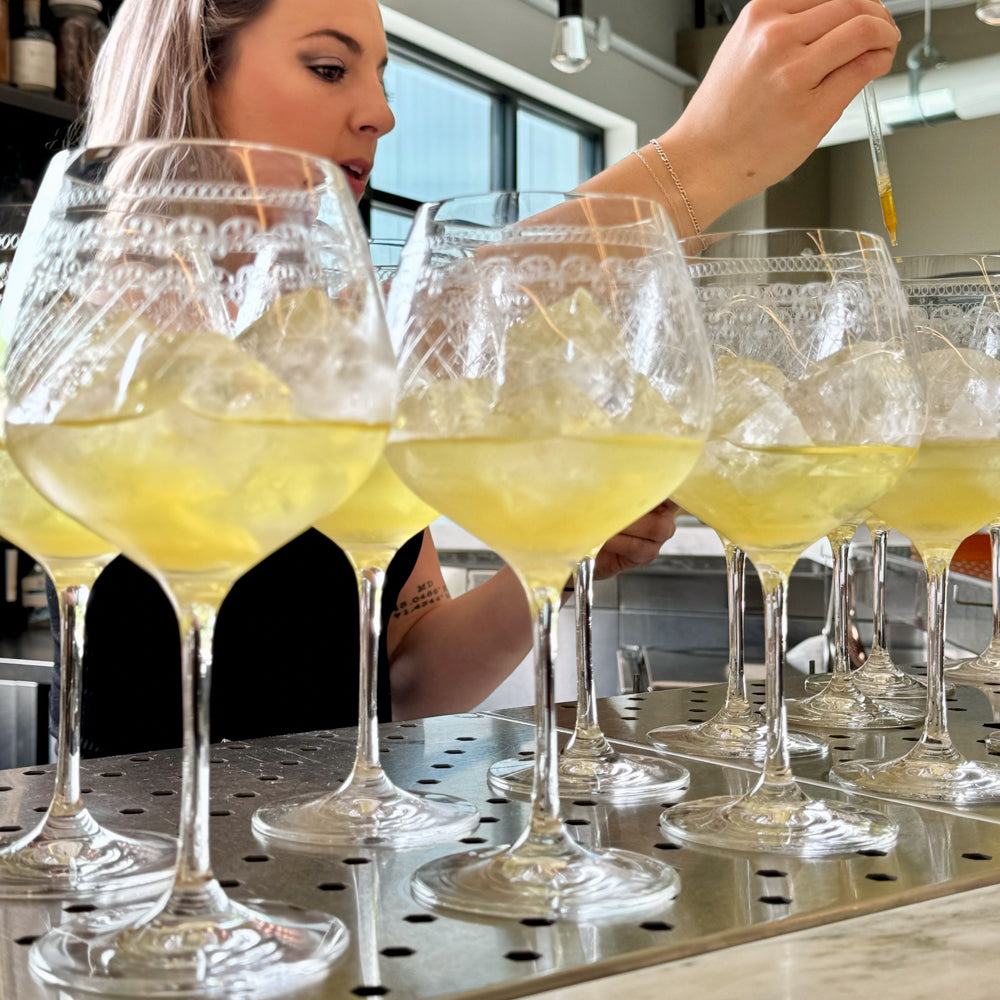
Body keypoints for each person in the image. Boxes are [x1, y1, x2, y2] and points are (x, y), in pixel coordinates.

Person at [60, 0, 900, 757]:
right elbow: (442, 319)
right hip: (138, 871)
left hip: (332, 872)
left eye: (381, 75)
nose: (380, 113)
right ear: (192, 76)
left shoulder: (333, 329)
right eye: (328, 67)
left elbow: (414, 672)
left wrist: (554, 562)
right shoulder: (95, 329)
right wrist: (701, 159)